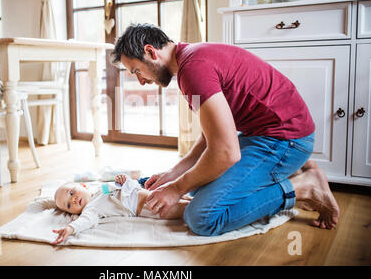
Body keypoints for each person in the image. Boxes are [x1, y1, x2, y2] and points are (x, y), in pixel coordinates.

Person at [110, 23, 340, 236]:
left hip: (285, 139)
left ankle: (303, 187)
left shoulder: (193, 70)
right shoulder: (190, 60)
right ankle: (290, 170)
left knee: (201, 216)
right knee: (196, 190)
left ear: (151, 52)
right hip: (266, 133)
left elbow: (226, 153)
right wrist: (175, 174)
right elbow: (210, 137)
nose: (141, 81)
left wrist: (176, 189)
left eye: (137, 71)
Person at [52, 174, 190, 245]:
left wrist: (124, 180)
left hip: (144, 192)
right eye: (69, 205)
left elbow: (120, 187)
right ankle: (202, 211)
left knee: (183, 197)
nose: (73, 200)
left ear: (83, 186)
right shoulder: (90, 210)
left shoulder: (101, 188)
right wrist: (70, 228)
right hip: (146, 207)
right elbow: (85, 221)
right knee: (183, 209)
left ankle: (202, 200)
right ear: (72, 213)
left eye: (71, 193)